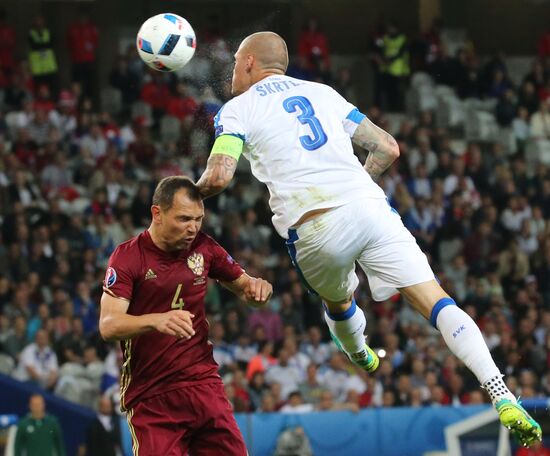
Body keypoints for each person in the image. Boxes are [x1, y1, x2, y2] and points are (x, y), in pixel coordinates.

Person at [196, 31, 542, 447]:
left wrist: (186, 195)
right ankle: (499, 391)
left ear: (250, 62)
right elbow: (388, 147)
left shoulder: (237, 110)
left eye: (235, 61)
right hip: (369, 207)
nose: (232, 69)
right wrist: (357, 183)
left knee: (338, 301)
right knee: (437, 301)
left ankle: (358, 350)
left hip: (314, 226)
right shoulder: (323, 93)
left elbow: (218, 176)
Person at [99, 176, 273, 455]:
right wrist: (155, 319)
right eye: (183, 219)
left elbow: (246, 289)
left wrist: (259, 290)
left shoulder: (204, 247)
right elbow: (108, 325)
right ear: (157, 213)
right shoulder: (128, 257)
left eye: (198, 219)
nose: (192, 228)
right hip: (151, 395)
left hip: (202, 383)